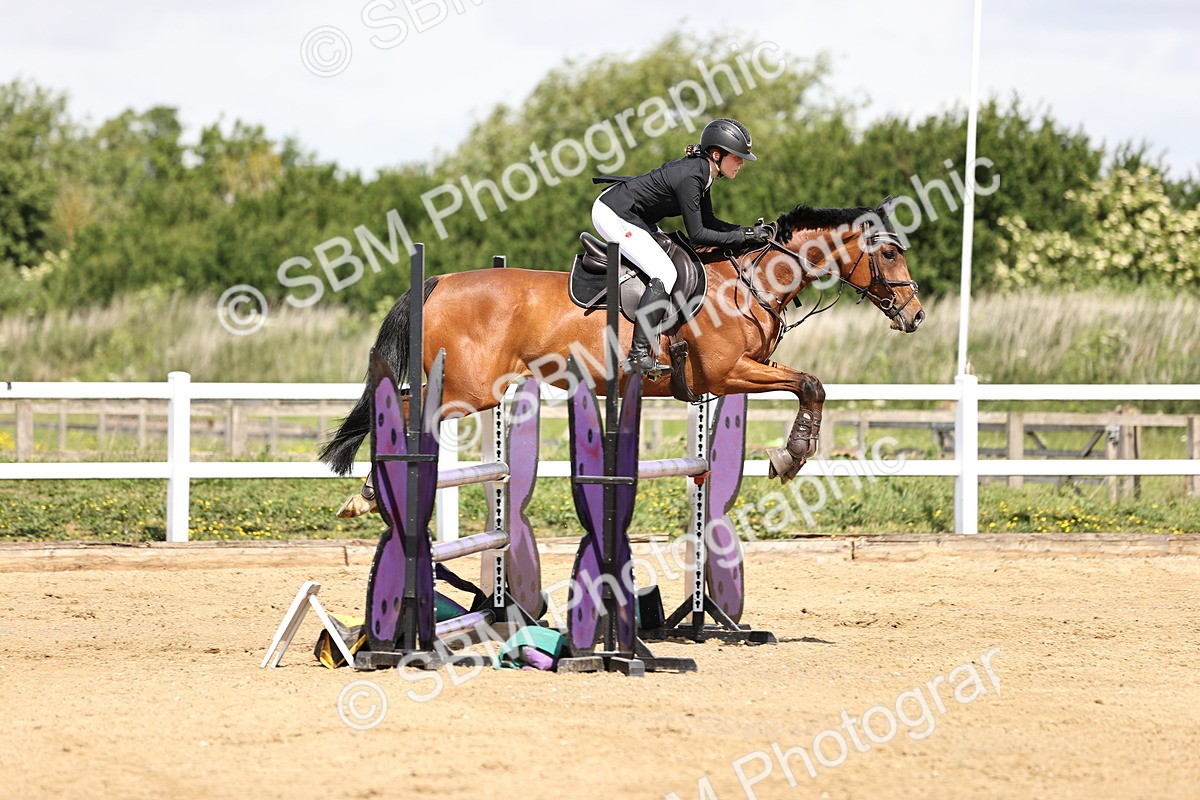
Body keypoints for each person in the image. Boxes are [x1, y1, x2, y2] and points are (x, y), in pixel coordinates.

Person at [591, 118, 772, 374]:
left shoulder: (704, 173)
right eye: (737, 157)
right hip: (613, 213)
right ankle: (638, 354)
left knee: (670, 261)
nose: (741, 163)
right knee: (665, 272)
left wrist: (747, 232)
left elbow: (710, 222)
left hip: (634, 216)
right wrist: (743, 237)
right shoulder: (692, 176)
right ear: (717, 155)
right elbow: (698, 234)